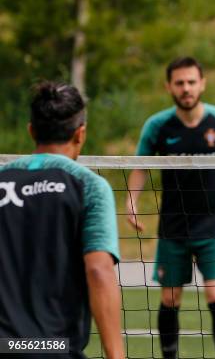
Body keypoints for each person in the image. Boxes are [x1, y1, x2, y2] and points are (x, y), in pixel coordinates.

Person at [126, 57, 215, 359]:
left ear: (202, 84)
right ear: (169, 86)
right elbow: (138, 166)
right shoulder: (157, 126)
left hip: (214, 223)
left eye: (191, 82)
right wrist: (131, 201)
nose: (186, 89)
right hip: (173, 225)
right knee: (170, 298)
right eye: (180, 83)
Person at [0, 81, 123, 358]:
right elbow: (98, 271)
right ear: (80, 134)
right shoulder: (88, 185)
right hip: (53, 349)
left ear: (31, 131)